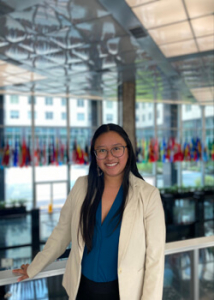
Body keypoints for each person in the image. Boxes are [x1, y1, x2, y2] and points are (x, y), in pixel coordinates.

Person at [13, 123, 166, 300]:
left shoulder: (148, 195)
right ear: (95, 155)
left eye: (117, 149)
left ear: (128, 151)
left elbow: (154, 259)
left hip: (124, 292)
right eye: (101, 150)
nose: (109, 157)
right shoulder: (81, 186)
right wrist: (34, 267)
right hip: (82, 289)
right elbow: (61, 233)